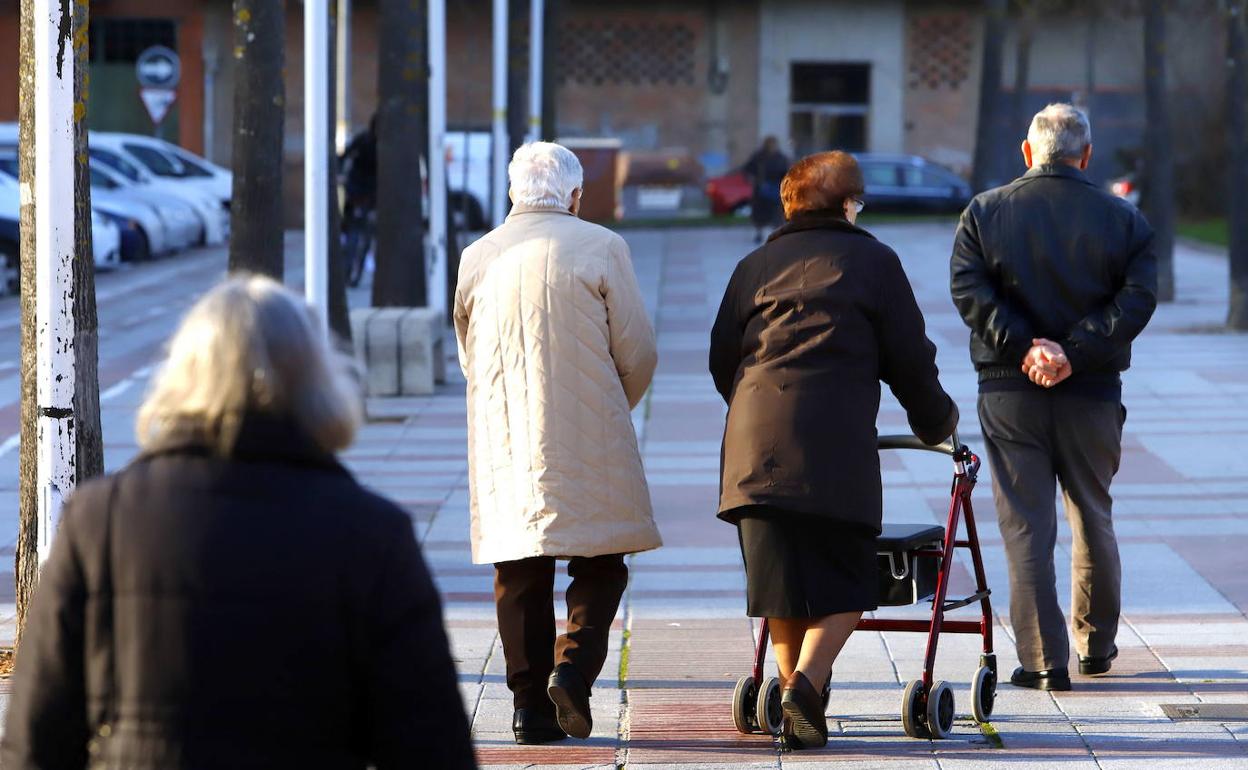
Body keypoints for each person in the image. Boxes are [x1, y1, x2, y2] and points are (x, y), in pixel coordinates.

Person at [0, 277, 476, 769]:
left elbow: (36, 738)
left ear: (181, 381)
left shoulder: (99, 522)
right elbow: (432, 744)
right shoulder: (372, 535)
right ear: (319, 384)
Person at [710, 151, 958, 749]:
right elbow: (909, 359)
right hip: (833, 448)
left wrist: (754, 413)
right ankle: (804, 686)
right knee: (850, 580)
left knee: (780, 588)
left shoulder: (755, 264)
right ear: (848, 205)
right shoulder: (872, 261)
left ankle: (801, 695)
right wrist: (936, 422)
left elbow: (723, 357)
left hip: (753, 454)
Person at [454, 141, 661, 745]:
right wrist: (610, 408)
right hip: (589, 430)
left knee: (518, 570)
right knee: (600, 560)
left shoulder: (477, 255)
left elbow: (468, 347)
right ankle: (571, 671)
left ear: (513, 194)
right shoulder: (602, 246)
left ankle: (528, 710)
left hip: (506, 435)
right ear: (575, 196)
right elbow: (638, 351)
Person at [950, 103, 1157, 692]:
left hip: (1010, 390)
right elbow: (1137, 301)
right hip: (1092, 390)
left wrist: (1023, 348)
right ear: (1086, 156)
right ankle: (1096, 645)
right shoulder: (1125, 220)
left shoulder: (985, 212)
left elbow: (968, 288)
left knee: (1025, 526)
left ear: (1027, 151)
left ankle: (1044, 661)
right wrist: (1075, 351)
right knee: (1094, 514)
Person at [743, 136, 791, 243]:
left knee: (776, 213)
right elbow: (748, 169)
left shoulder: (781, 158)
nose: (772, 146)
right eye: (770, 144)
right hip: (761, 189)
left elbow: (787, 172)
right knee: (760, 213)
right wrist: (752, 178)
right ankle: (759, 233)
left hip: (776, 188)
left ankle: (777, 234)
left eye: (773, 144)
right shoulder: (758, 157)